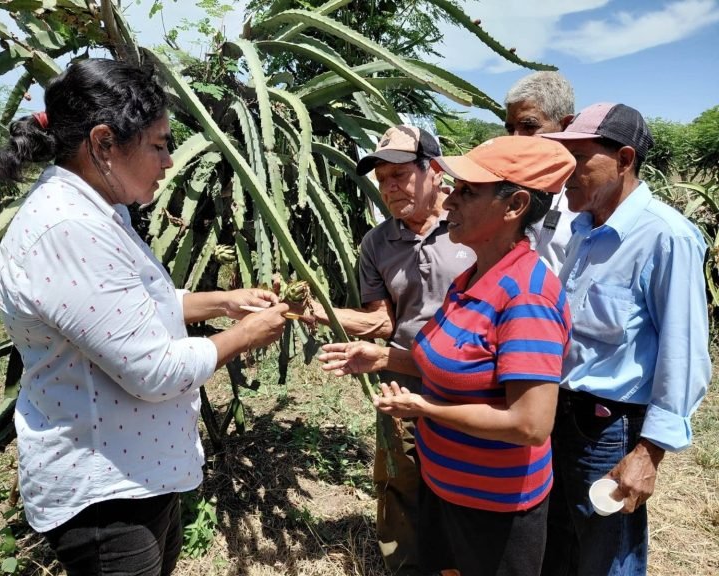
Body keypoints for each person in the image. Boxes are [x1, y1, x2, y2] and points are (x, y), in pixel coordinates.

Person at [0, 58, 289, 576]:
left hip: (137, 476)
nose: (170, 161)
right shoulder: (68, 228)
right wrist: (244, 336)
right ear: (104, 143)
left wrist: (222, 302)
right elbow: (153, 371)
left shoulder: (98, 210)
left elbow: (129, 310)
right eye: (158, 144)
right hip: (105, 498)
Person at [320, 136, 577, 576]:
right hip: (448, 489)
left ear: (514, 206)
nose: (450, 199)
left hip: (494, 506)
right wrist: (383, 359)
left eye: (467, 192)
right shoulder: (471, 279)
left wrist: (424, 408)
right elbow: (447, 361)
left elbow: (530, 424)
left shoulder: (526, 295)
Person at [539, 103, 711, 575]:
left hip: (607, 430)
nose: (565, 173)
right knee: (559, 551)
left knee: (606, 560)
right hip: (559, 416)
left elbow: (685, 352)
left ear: (624, 158)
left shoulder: (665, 237)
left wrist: (648, 452)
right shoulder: (583, 230)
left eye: (579, 160)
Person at [305, 124, 475, 575]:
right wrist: (318, 313)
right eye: (382, 180)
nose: (390, 188)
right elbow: (382, 322)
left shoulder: (473, 229)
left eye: (400, 174)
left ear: (435, 171)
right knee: (400, 482)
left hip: (467, 385)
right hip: (401, 379)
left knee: (462, 485)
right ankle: (405, 566)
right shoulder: (378, 243)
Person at [504, 71, 576, 274]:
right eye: (510, 129)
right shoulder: (501, 184)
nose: (516, 139)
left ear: (566, 125)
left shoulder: (585, 198)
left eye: (529, 127)